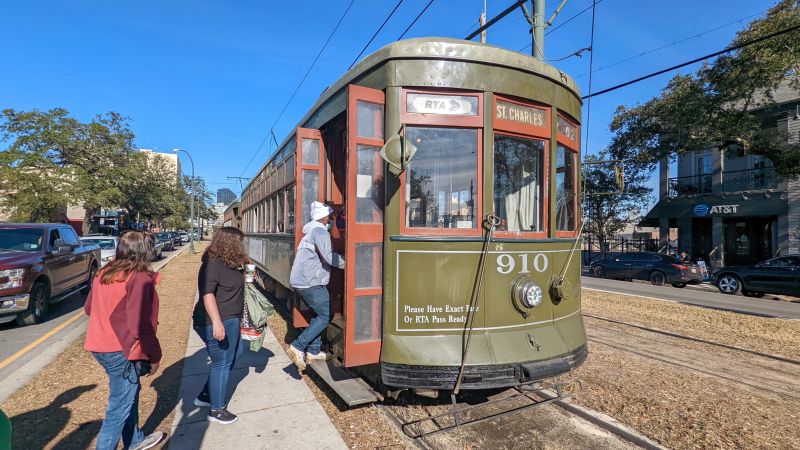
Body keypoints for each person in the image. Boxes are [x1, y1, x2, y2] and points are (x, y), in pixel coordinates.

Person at [84, 231, 166, 450]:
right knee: (120, 404)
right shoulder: (138, 279)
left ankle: (135, 440)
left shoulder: (104, 273)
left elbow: (89, 308)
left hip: (98, 345)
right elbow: (141, 325)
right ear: (144, 251)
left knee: (129, 393)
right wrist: (155, 356)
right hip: (120, 349)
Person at [191, 227, 250, 424]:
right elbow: (207, 294)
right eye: (239, 242)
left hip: (230, 318)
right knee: (222, 363)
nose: (242, 245)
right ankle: (216, 409)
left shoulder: (231, 263)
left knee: (237, 353)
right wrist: (216, 322)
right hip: (216, 320)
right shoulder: (213, 264)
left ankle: (206, 395)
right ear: (231, 243)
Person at [287, 201, 345, 371]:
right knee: (326, 315)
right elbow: (329, 257)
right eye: (330, 215)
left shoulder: (311, 231)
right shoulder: (320, 231)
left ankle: (313, 351)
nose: (332, 218)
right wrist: (349, 263)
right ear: (324, 217)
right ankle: (298, 346)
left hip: (302, 280)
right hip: (310, 281)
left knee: (317, 313)